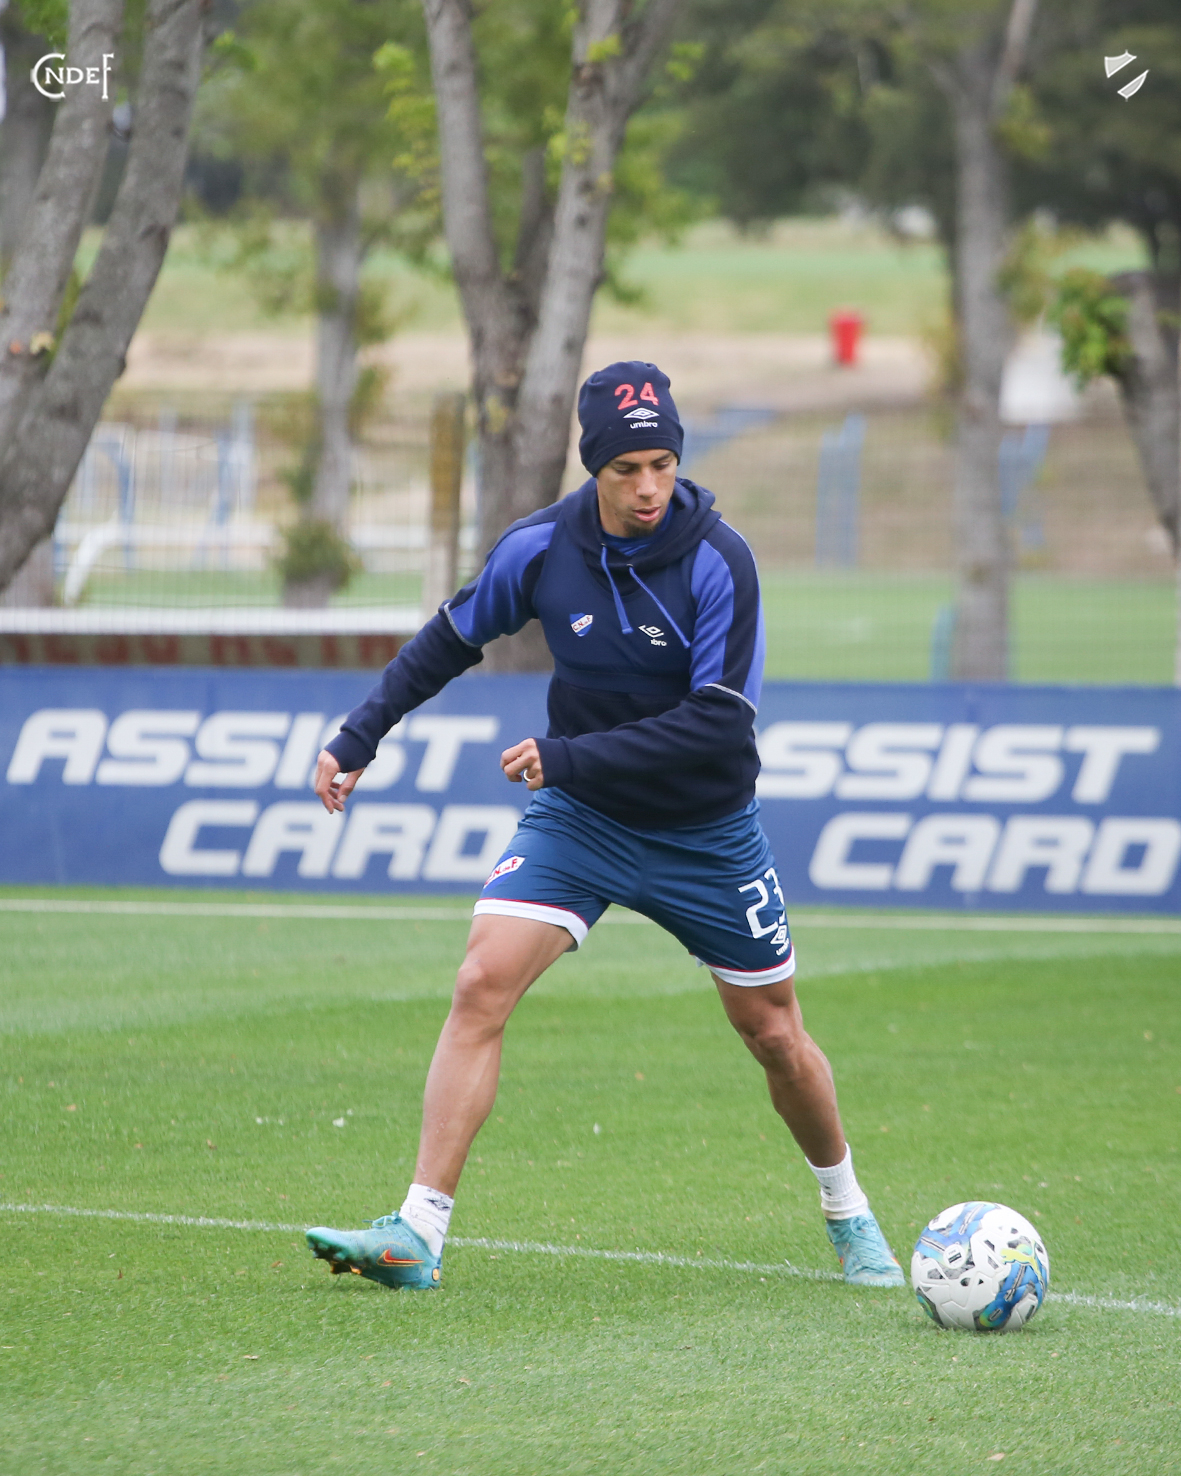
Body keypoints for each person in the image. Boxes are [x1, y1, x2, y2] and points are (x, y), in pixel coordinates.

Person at [305, 361, 904, 1291]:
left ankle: (847, 1211)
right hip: (580, 821)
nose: (648, 486)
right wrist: (358, 736)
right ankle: (418, 1231)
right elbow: (450, 639)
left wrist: (571, 756)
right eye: (626, 469)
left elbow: (720, 722)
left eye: (662, 464)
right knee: (480, 983)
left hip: (705, 833)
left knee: (774, 1035)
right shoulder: (540, 548)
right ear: (594, 468)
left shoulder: (719, 560)